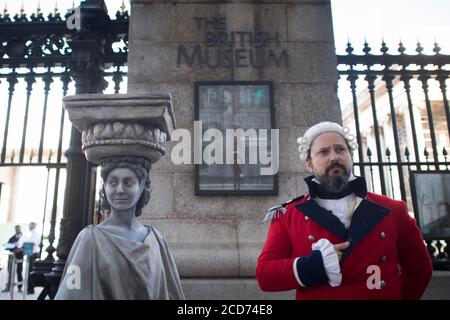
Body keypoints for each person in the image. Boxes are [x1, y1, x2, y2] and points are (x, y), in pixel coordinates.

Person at [256, 121, 433, 300]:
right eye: (324, 152)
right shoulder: (288, 215)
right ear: (309, 163)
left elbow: (419, 270)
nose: (334, 157)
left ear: (349, 156)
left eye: (340, 149)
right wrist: (316, 264)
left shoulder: (393, 210)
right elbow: (265, 276)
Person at [55, 156, 185, 300]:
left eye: (128, 183)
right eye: (112, 182)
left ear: (141, 186)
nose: (120, 190)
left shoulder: (157, 240)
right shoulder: (90, 239)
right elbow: (71, 294)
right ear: (105, 186)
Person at [18, 222, 41, 294]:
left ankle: (31, 289)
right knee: (29, 272)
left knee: (31, 272)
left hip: (33, 254)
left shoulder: (36, 234)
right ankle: (29, 288)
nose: (30, 226)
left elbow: (33, 243)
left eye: (31, 225)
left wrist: (24, 245)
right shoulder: (30, 233)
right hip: (29, 253)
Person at [2, 225, 23, 293]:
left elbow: (25, 247)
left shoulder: (24, 237)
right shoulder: (12, 238)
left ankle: (20, 288)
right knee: (10, 271)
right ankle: (8, 287)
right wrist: (7, 245)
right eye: (16, 229)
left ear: (20, 229)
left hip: (19, 257)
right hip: (11, 257)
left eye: (18, 229)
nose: (17, 230)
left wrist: (19, 249)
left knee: (19, 272)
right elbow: (7, 246)